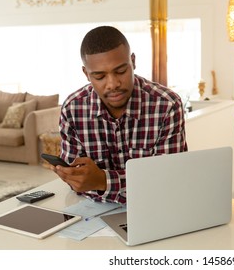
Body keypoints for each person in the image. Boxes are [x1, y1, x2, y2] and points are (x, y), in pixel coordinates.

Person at [51, 26, 188, 204]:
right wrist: (74, 178)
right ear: (86, 74)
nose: (113, 84)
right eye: (100, 76)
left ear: (133, 61)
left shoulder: (167, 105)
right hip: (93, 213)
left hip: (155, 208)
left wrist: (102, 181)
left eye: (121, 71)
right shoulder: (72, 109)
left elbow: (168, 181)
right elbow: (78, 183)